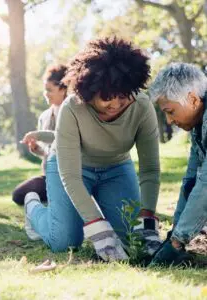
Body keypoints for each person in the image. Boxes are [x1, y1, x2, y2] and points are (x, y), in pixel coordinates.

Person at [22, 38, 161, 262]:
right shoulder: (72, 108)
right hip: (71, 170)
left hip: (116, 168)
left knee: (133, 239)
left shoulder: (142, 106)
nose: (115, 105)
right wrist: (98, 228)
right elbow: (70, 176)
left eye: (123, 98)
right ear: (89, 92)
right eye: (106, 99)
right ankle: (33, 208)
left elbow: (150, 169)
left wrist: (147, 219)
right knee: (65, 241)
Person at [149, 63, 207, 266]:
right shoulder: (198, 126)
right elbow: (191, 180)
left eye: (170, 111)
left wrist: (176, 242)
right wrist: (174, 233)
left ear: (192, 99)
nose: (169, 120)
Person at [12, 64, 67, 205]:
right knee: (18, 195)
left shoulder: (72, 112)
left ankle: (60, 195)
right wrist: (38, 150)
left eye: (50, 90)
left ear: (63, 89)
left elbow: (65, 138)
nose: (45, 94)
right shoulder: (44, 116)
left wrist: (38, 135)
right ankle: (54, 194)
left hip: (69, 175)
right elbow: (48, 153)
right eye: (45, 89)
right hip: (49, 176)